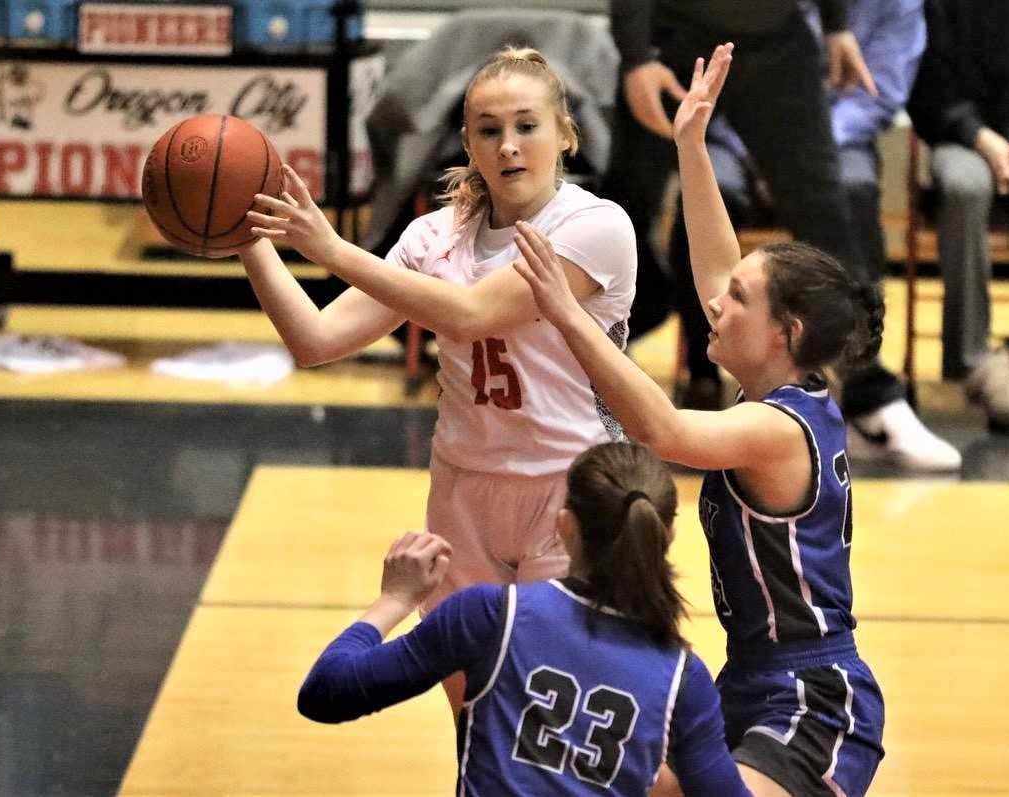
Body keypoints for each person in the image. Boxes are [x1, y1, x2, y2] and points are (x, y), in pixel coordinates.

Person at [515, 45, 885, 796]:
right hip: (746, 681)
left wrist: (564, 311)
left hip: (810, 697)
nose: (717, 302)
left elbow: (663, 431)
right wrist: (690, 145)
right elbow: (717, 270)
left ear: (784, 334)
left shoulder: (776, 431)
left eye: (742, 301)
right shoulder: (778, 391)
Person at [236, 48, 637, 711]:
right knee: (472, 705)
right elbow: (315, 339)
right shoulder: (432, 237)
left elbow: (473, 314)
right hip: (463, 488)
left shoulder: (594, 226)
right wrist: (247, 236)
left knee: (549, 709)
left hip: (569, 486)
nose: (508, 145)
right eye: (487, 129)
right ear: (468, 144)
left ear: (565, 132)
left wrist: (334, 249)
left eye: (526, 125)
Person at [604, 0, 960, 471]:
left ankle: (870, 401)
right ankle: (589, 382)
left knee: (827, 212)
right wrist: (636, 55)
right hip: (671, 41)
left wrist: (836, 26)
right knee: (622, 216)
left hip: (777, 39)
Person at [298, 442, 752, 796]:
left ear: (564, 526)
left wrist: (395, 598)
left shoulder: (491, 616)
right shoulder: (682, 676)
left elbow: (325, 693)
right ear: (667, 534)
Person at [906, 0, 1009, 429]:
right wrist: (983, 140)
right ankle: (968, 359)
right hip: (958, 137)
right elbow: (927, 92)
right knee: (965, 187)